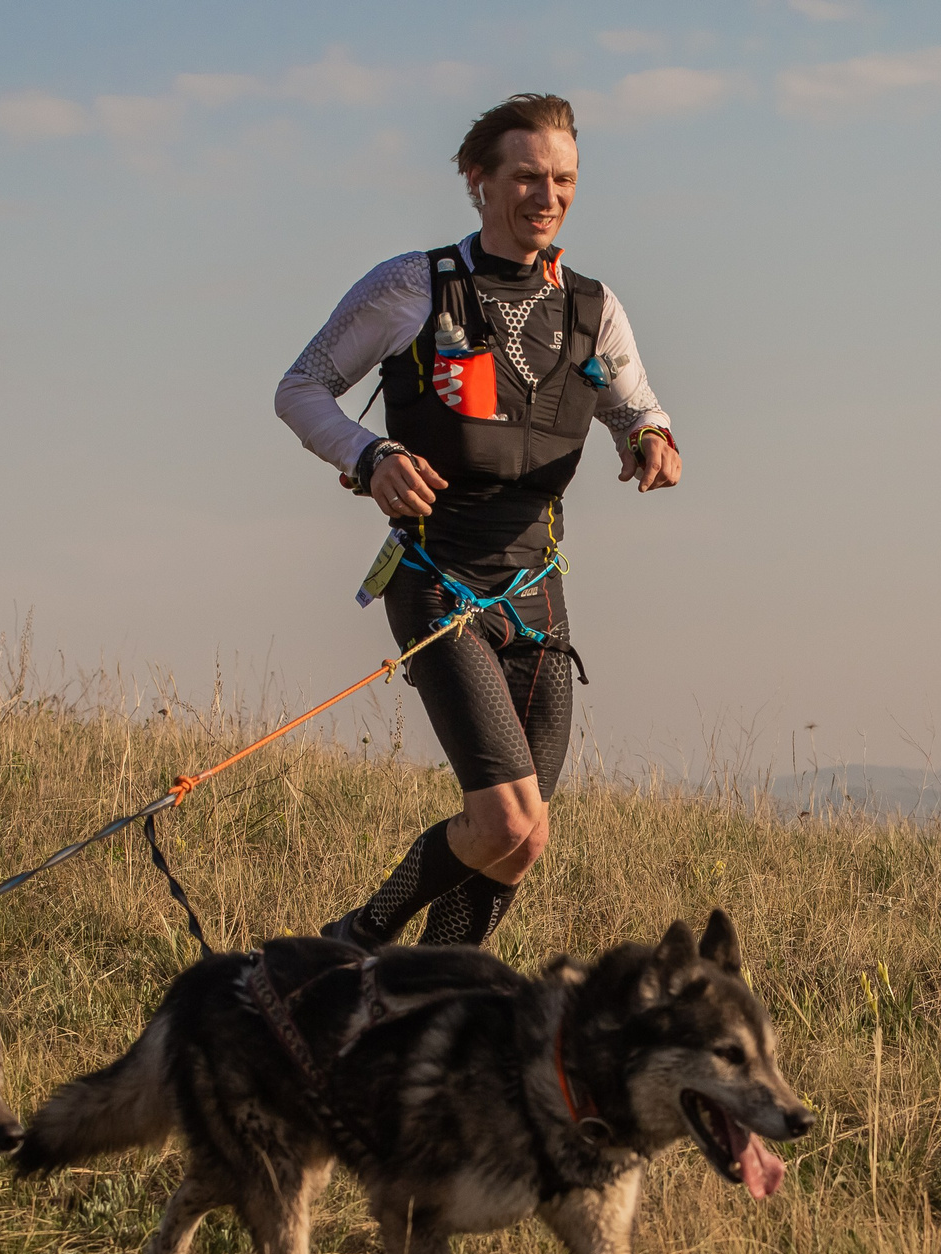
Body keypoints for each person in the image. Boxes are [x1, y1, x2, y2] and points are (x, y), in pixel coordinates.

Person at [274, 92, 681, 949]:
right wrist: (370, 455)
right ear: (478, 180)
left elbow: (634, 402)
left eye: (564, 179)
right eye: (528, 176)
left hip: (538, 594)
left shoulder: (593, 307)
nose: (548, 196)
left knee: (523, 841)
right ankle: (354, 942)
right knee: (502, 820)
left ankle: (431, 991)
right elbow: (301, 387)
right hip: (437, 580)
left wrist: (650, 437)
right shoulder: (411, 286)